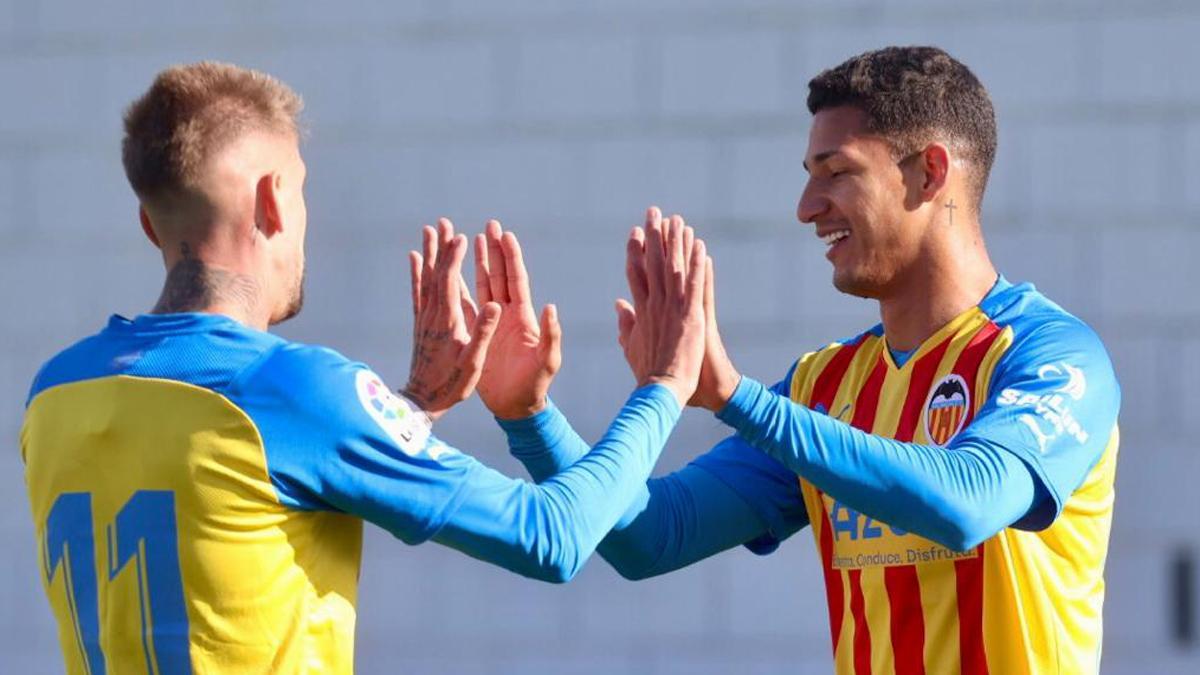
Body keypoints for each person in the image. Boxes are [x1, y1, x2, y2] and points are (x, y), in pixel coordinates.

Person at [20, 61, 709, 674]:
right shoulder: (293, 390)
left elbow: (231, 501)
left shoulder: (54, 392)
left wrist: (414, 405)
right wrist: (664, 384)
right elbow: (550, 536)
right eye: (301, 189)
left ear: (149, 224)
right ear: (270, 201)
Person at [492, 47, 1121, 674]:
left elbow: (968, 504)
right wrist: (530, 418)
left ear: (929, 174)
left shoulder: (1054, 356)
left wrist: (737, 398)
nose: (806, 206)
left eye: (836, 172)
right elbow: (650, 536)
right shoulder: (825, 384)